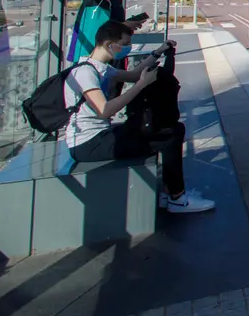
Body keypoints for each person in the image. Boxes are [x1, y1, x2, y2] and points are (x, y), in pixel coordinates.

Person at [65, 21, 213, 214]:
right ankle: (177, 197)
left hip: (100, 135)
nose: (128, 48)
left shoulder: (99, 68)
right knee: (170, 137)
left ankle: (168, 193)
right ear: (110, 44)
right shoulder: (85, 73)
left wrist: (159, 52)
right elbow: (105, 110)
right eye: (125, 43)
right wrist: (141, 85)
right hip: (89, 144)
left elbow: (134, 75)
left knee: (170, 131)